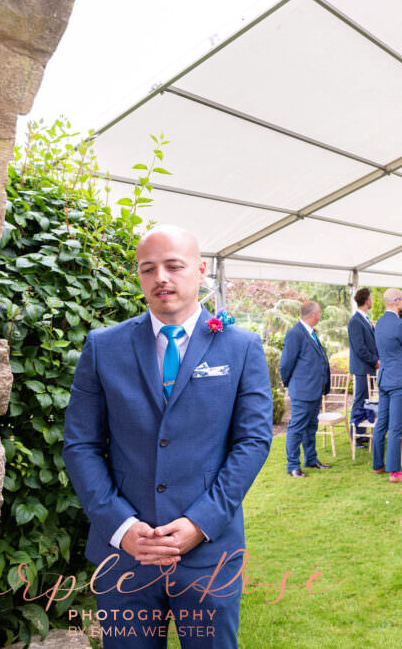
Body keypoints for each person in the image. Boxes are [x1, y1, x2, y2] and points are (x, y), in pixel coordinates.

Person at [63, 225, 273, 642]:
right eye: (148, 269)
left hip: (209, 552)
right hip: (124, 558)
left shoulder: (241, 346)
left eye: (173, 266)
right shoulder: (103, 347)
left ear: (200, 269)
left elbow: (252, 442)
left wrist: (201, 521)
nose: (161, 278)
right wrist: (121, 527)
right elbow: (81, 444)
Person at [280, 301, 332, 477]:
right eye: (319, 313)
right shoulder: (295, 334)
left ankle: (311, 459)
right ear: (313, 315)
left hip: (315, 389)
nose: (320, 316)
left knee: (311, 426)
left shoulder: (310, 333)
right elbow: (286, 363)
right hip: (302, 390)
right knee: (297, 427)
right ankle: (293, 465)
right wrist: (288, 383)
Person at [372, 288, 402, 483]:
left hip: (383, 377)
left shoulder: (379, 323)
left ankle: (378, 465)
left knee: (381, 423)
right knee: (395, 427)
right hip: (398, 379)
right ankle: (395, 473)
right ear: (397, 301)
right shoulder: (400, 325)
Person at [347, 288, 378, 448]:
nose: (372, 301)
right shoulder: (355, 321)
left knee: (367, 401)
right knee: (359, 401)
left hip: (369, 368)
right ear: (366, 301)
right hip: (362, 369)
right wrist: (375, 361)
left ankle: (362, 431)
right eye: (371, 298)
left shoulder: (365, 319)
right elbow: (360, 348)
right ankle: (355, 436)